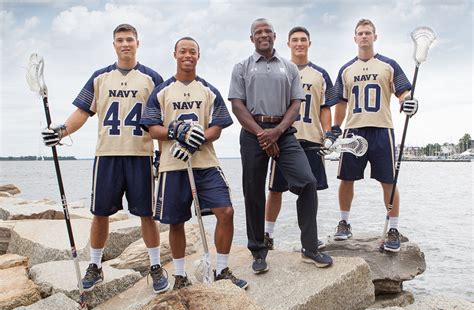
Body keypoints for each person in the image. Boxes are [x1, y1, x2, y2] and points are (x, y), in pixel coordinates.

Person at [41, 24, 169, 293]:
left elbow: (160, 120)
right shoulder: (100, 77)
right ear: (114, 45)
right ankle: (96, 266)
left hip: (140, 155)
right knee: (100, 214)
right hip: (107, 155)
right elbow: (82, 111)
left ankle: (155, 266)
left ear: (138, 43)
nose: (125, 44)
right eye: (120, 40)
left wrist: (161, 154)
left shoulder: (152, 78)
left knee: (146, 214)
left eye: (130, 40)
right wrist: (62, 130)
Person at [140, 36, 248, 290]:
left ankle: (221, 269)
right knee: (176, 221)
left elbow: (218, 126)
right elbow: (152, 128)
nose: (187, 55)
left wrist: (197, 139)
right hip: (173, 165)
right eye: (183, 51)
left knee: (226, 212)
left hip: (205, 163)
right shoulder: (162, 90)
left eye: (192, 52)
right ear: (175, 55)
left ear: (198, 56)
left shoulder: (208, 90)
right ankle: (180, 276)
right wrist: (177, 133)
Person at [229, 18, 333, 273]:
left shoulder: (289, 68)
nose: (263, 35)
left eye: (267, 31)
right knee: (253, 192)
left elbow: (296, 104)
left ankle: (310, 248)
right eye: (258, 32)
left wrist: (276, 132)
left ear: (274, 36)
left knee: (307, 182)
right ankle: (258, 251)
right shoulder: (241, 67)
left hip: (283, 132)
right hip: (253, 132)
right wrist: (262, 134)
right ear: (251, 38)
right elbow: (237, 105)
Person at [332, 19, 418, 252]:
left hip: (382, 129)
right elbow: (341, 101)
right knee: (346, 178)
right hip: (354, 129)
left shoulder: (388, 65)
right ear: (354, 38)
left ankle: (393, 228)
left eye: (368, 33)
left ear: (375, 37)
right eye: (360, 33)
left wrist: (408, 102)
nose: (364, 37)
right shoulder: (346, 69)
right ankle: (344, 222)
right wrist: (335, 127)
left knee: (389, 181)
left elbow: (403, 92)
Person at [264, 26, 338, 251]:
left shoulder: (320, 74)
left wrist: (328, 133)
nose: (299, 43)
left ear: (309, 43)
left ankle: (309, 238)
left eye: (303, 39)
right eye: (294, 40)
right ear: (288, 44)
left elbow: (325, 108)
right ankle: (268, 234)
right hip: (285, 138)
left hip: (312, 138)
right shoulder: (278, 70)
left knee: (310, 190)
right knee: (276, 189)